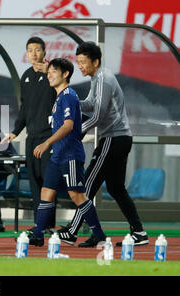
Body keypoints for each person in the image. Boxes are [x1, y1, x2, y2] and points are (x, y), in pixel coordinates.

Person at [57, 42, 148, 247]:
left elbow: (97, 115)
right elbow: (89, 104)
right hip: (120, 138)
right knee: (116, 188)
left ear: (95, 61)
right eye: (78, 62)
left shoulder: (103, 80)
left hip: (113, 139)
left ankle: (72, 231)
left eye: (83, 62)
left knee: (87, 184)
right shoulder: (99, 78)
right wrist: (69, 100)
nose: (80, 66)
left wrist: (76, 132)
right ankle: (139, 232)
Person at [28, 58, 107, 247]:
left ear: (66, 74)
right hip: (58, 155)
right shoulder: (59, 97)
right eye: (48, 72)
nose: (49, 75)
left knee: (77, 195)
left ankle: (99, 235)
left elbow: (69, 125)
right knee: (46, 192)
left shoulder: (68, 96)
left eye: (54, 71)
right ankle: (38, 234)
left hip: (70, 155)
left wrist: (47, 142)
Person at [1, 37, 57, 233]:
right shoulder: (25, 76)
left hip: (49, 138)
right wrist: (15, 131)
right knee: (35, 182)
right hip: (32, 138)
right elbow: (25, 109)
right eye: (30, 50)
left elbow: (64, 91)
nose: (33, 54)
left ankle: (48, 224)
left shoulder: (53, 74)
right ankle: (39, 225)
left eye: (37, 50)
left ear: (44, 52)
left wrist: (50, 71)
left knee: (48, 182)